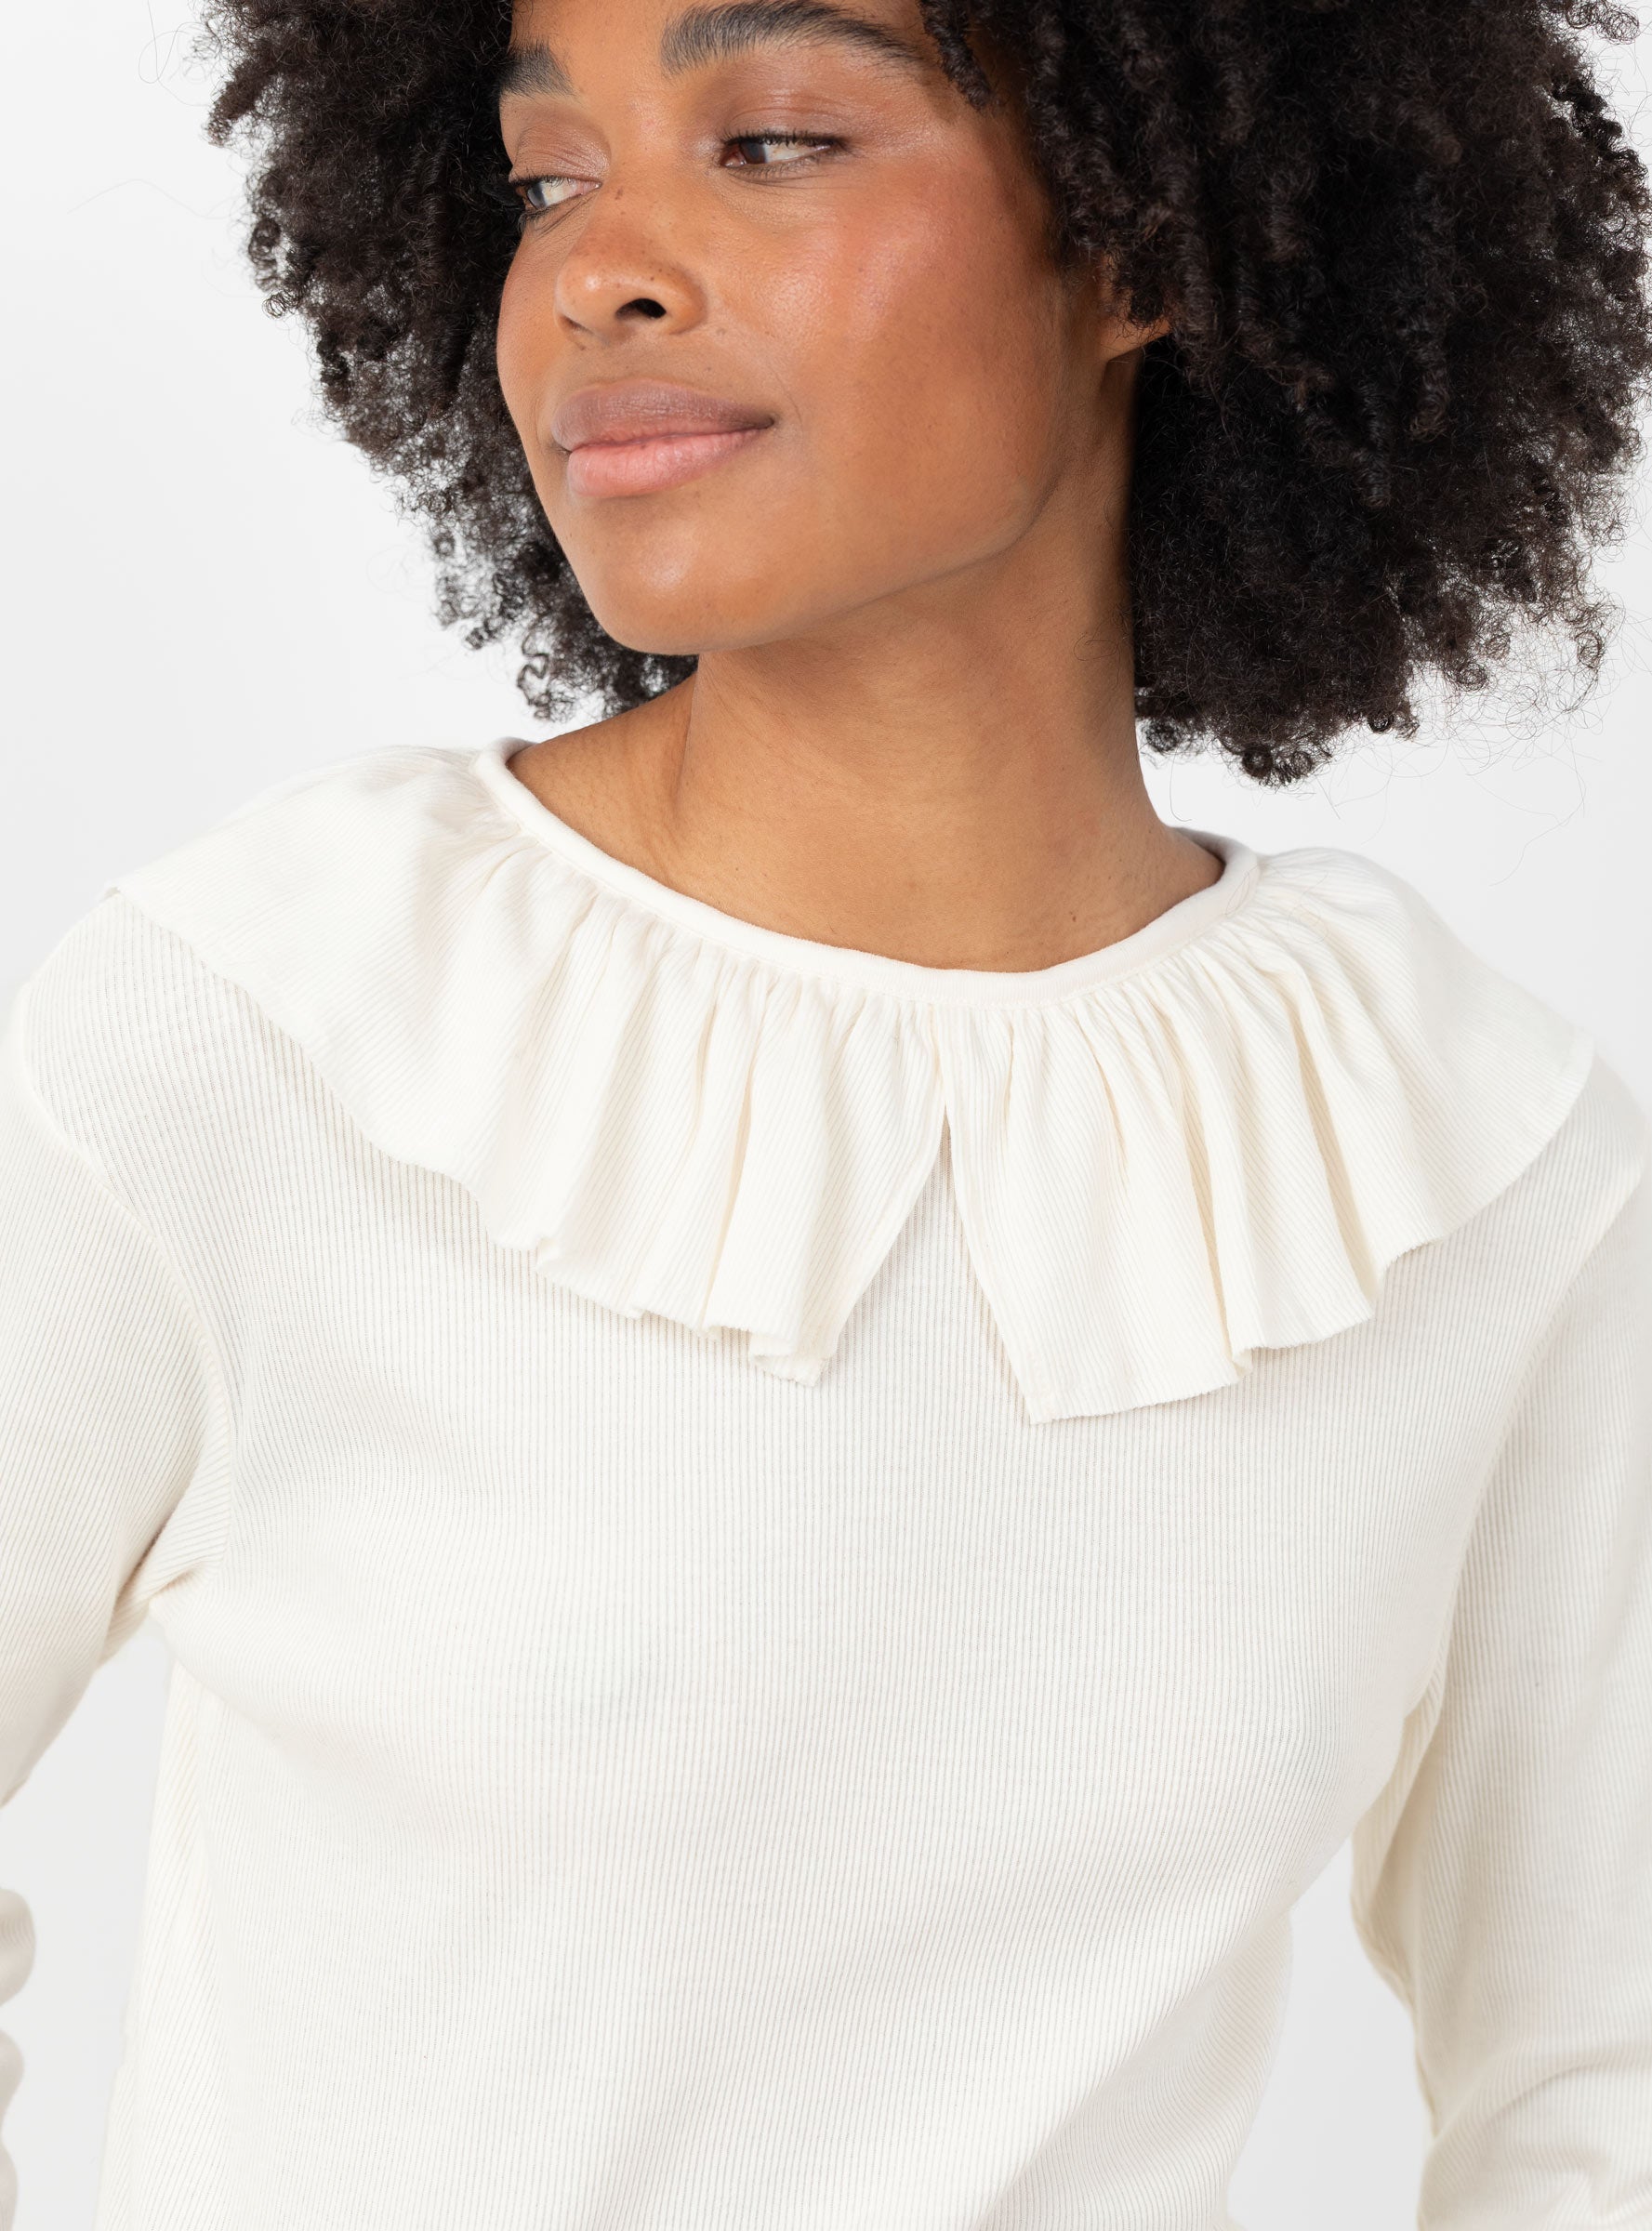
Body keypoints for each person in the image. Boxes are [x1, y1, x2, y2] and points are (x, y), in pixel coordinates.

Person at [3, 0, 1650, 2221]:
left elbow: (1597, 2094)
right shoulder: (282, 1023)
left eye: (772, 140)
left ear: (1138, 235)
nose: (599, 271)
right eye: (547, 179)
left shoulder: (1461, 1164)